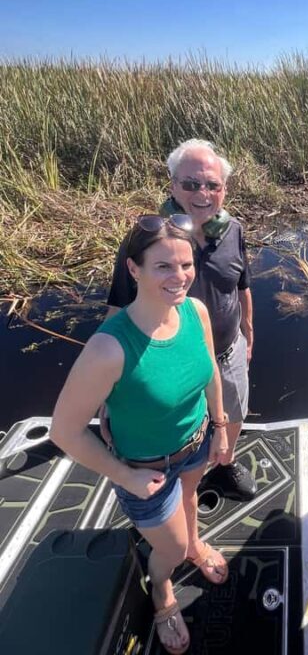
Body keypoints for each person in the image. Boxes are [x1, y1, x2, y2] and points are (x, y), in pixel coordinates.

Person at [51, 216, 231, 655]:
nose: (180, 277)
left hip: (195, 446)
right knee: (166, 548)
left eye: (186, 265)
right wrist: (123, 475)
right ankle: (163, 587)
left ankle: (194, 545)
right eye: (164, 267)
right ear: (134, 269)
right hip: (144, 470)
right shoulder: (109, 347)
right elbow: (64, 432)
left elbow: (210, 375)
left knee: (189, 507)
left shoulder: (196, 311)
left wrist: (221, 427)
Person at [106, 139, 256, 501]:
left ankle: (224, 466)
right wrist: (109, 389)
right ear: (172, 185)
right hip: (169, 360)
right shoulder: (145, 240)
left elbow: (242, 283)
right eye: (190, 184)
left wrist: (248, 331)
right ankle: (177, 487)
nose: (202, 193)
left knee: (232, 413)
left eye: (212, 185)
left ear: (224, 189)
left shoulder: (233, 229)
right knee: (176, 433)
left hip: (226, 349)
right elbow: (117, 308)